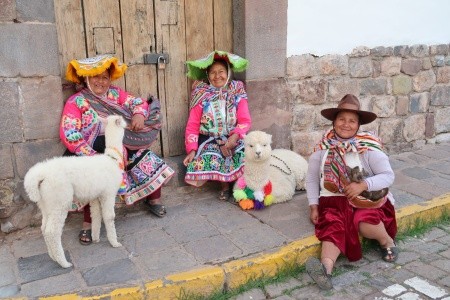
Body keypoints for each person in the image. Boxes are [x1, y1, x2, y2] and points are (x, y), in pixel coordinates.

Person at [61, 54, 174, 245]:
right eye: (95, 76)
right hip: (89, 152)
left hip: (119, 148)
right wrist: (92, 156)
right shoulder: (76, 102)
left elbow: (137, 103)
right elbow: (69, 132)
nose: (100, 81)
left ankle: (153, 200)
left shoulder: (114, 94)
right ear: (86, 78)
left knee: (147, 158)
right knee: (93, 177)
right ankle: (88, 224)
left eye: (105, 77)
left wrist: (138, 114)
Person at [304, 94, 398, 290]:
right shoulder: (323, 148)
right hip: (335, 199)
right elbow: (312, 178)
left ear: (358, 125)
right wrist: (313, 205)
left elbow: (388, 176)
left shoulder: (368, 147)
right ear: (334, 121)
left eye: (352, 121)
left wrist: (363, 185)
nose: (346, 125)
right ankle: (325, 271)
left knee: (363, 223)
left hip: (366, 199)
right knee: (332, 224)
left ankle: (386, 240)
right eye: (341, 119)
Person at [183, 50, 251, 200]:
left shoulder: (237, 90)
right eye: (212, 72)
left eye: (221, 71)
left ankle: (241, 185)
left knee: (246, 152)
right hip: (209, 138)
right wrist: (192, 149)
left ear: (228, 72)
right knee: (213, 155)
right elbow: (192, 125)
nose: (217, 76)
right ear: (207, 75)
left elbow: (245, 120)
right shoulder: (201, 93)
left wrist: (235, 136)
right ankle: (225, 186)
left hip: (235, 135)